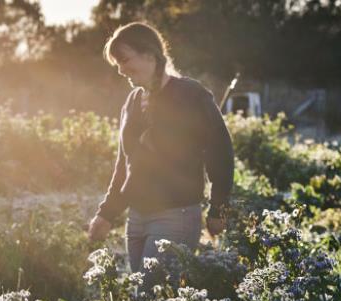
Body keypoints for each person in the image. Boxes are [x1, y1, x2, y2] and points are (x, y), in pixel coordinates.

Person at [87, 21, 234, 279]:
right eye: (117, 64)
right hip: (137, 218)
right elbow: (124, 165)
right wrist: (106, 214)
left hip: (176, 215)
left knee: (152, 297)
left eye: (124, 59)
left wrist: (219, 208)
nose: (121, 69)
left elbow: (220, 152)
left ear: (149, 54)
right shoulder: (132, 102)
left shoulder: (191, 95)